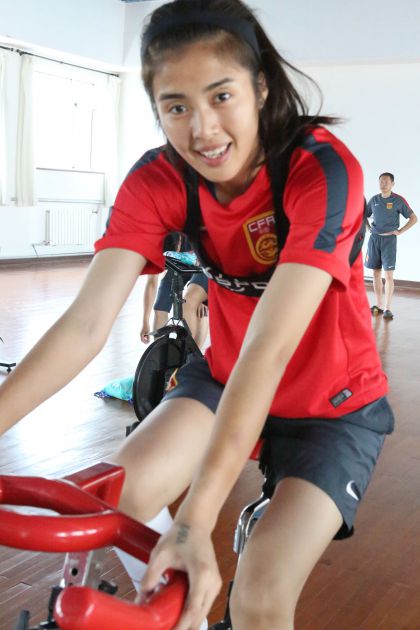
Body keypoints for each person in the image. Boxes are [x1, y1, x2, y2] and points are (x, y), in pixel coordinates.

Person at [0, 1, 395, 629]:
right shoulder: (159, 179)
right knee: (121, 494)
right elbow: (85, 324)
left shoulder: (321, 170)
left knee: (261, 594)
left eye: (221, 96)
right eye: (176, 106)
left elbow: (269, 348)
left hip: (331, 407)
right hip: (224, 377)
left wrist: (196, 519)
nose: (203, 130)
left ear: (260, 87)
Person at [140, 231, 209, 348]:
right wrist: (145, 321)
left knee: (193, 303)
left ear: (180, 243)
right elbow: (151, 284)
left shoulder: (195, 232)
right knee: (160, 308)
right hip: (179, 264)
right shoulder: (154, 243)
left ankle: (192, 353)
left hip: (203, 263)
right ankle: (161, 354)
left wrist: (203, 299)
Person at [365, 172, 417, 320]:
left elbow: (414, 218)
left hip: (389, 240)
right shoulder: (374, 200)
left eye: (386, 182)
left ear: (392, 184)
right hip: (374, 240)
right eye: (381, 181)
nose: (383, 184)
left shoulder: (398, 200)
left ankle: (388, 308)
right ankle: (379, 305)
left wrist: (400, 231)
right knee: (375, 273)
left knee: (388, 275)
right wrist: (368, 228)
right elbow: (364, 215)